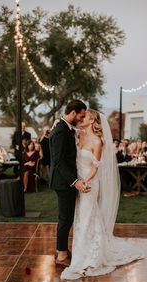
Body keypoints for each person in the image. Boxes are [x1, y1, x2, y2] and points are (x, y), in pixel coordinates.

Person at [61, 109, 144, 280]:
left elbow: (95, 167)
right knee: (82, 218)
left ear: (92, 120)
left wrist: (85, 181)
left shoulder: (98, 141)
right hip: (78, 183)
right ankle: (82, 253)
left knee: (87, 216)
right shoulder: (78, 135)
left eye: (85, 117)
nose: (81, 118)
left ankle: (88, 258)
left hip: (90, 183)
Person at [49, 99, 90, 267]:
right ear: (73, 113)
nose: (82, 118)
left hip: (66, 181)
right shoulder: (60, 131)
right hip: (63, 182)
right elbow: (58, 161)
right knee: (65, 219)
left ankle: (62, 249)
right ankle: (61, 255)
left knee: (67, 217)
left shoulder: (65, 127)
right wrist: (75, 182)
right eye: (81, 115)